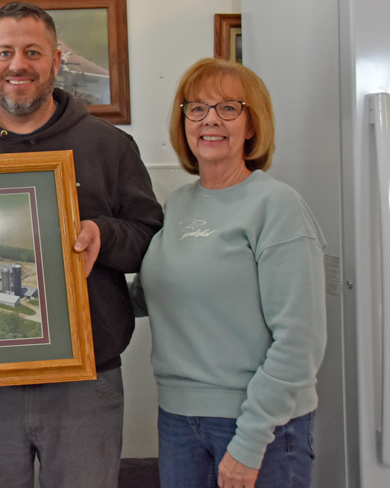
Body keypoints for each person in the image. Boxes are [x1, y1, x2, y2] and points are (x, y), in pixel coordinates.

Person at [0, 1, 163, 488]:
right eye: (5, 52)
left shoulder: (108, 145)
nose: (18, 65)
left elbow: (149, 237)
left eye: (33, 52)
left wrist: (103, 233)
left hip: (85, 381)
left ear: (56, 61)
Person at [131, 58, 326, 488]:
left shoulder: (277, 206)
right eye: (197, 108)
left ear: (252, 124)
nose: (210, 120)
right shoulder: (177, 204)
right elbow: (148, 297)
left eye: (228, 108)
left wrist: (250, 440)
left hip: (259, 424)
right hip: (178, 420)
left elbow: (300, 341)